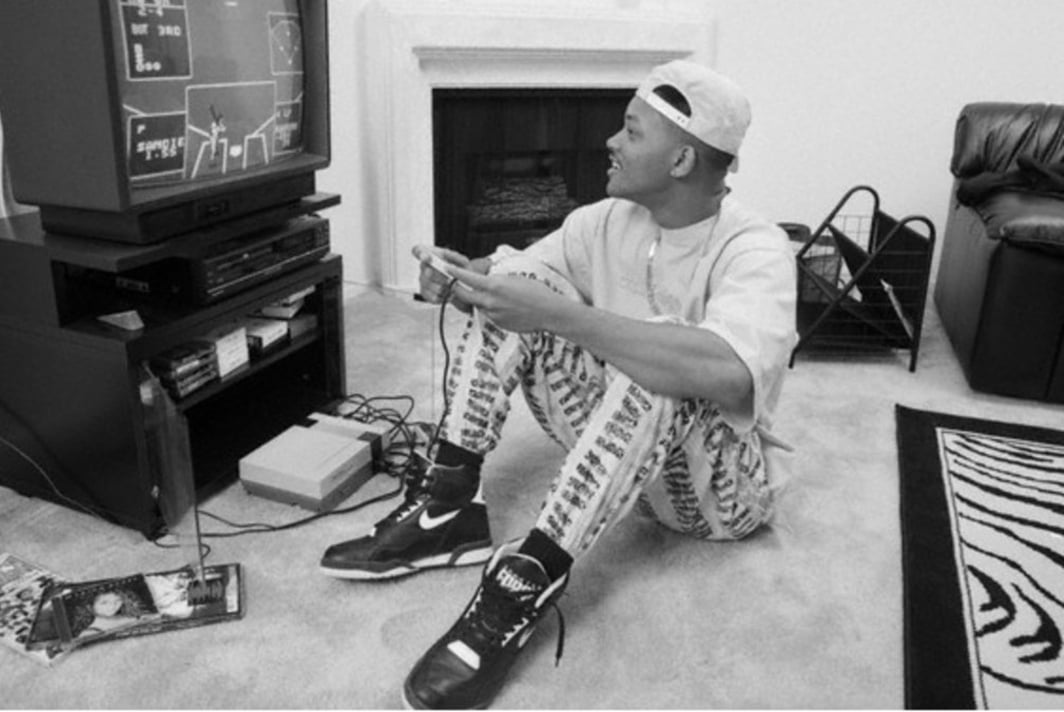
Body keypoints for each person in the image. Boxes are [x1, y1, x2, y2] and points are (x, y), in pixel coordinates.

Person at [321, 59, 797, 709]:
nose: (611, 141)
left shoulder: (758, 248)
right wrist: (464, 282)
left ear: (682, 160)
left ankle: (525, 579)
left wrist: (556, 313)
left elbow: (723, 372)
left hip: (715, 496)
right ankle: (448, 507)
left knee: (661, 359)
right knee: (525, 283)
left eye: (631, 132)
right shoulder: (602, 222)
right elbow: (517, 290)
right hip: (618, 458)